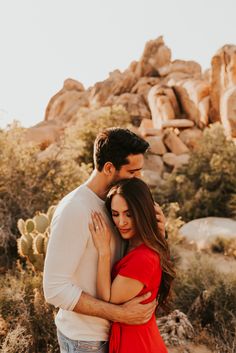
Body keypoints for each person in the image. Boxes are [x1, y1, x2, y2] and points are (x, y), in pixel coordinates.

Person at [43, 128, 166, 353]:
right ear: (109, 168)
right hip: (87, 341)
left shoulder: (119, 203)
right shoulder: (75, 209)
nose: (139, 178)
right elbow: (54, 289)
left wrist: (157, 232)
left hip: (119, 336)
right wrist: (120, 314)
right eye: (133, 171)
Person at [89, 178, 175, 353]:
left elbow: (107, 299)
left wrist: (104, 252)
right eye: (115, 214)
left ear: (142, 213)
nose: (121, 222)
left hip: (137, 345)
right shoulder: (137, 244)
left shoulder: (143, 257)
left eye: (129, 214)